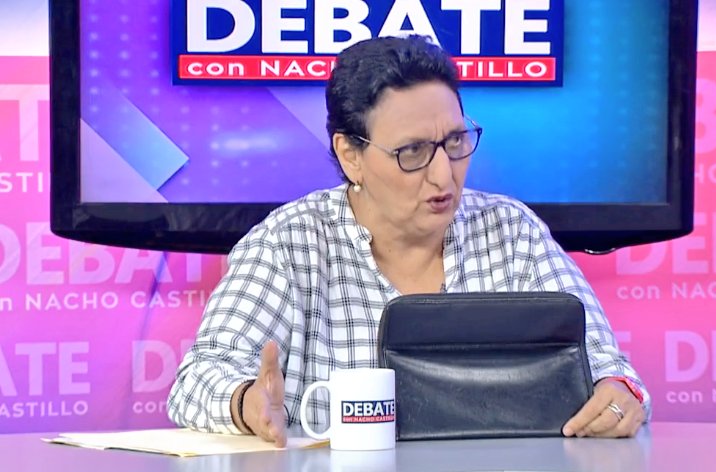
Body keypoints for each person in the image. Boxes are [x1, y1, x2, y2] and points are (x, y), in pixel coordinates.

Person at [167, 35, 650, 447]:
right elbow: (197, 380)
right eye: (413, 151)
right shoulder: (289, 243)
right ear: (351, 156)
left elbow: (610, 370)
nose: (444, 175)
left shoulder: (512, 231)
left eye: (455, 142)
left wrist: (618, 393)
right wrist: (245, 402)